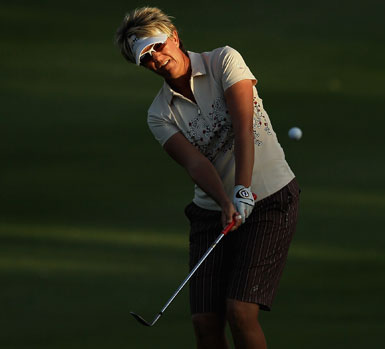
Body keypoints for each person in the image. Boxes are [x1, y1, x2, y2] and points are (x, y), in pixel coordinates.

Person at [115, 7, 300, 349]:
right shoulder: (160, 114)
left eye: (157, 46)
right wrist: (226, 201)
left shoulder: (224, 61)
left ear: (173, 37)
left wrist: (243, 190)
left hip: (270, 199)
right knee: (204, 322)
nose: (156, 57)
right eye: (146, 57)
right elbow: (196, 165)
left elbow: (243, 128)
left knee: (240, 312)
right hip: (212, 211)